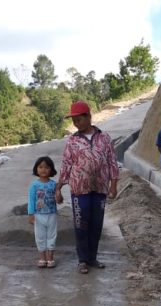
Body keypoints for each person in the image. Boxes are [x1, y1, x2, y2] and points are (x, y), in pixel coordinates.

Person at [55, 101, 119, 274]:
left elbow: (112, 162)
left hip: (99, 188)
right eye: (74, 120)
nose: (76, 123)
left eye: (79, 119)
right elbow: (66, 164)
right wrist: (59, 188)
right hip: (79, 189)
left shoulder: (104, 138)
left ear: (89, 117)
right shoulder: (73, 141)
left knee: (96, 224)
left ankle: (92, 258)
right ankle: (82, 260)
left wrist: (113, 186)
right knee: (81, 224)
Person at [28, 156, 59, 268]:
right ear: (36, 169)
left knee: (52, 236)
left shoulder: (54, 184)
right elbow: (31, 200)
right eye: (40, 167)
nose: (43, 170)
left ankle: (50, 259)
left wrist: (59, 194)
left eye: (46, 167)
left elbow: (59, 200)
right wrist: (31, 214)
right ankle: (42, 258)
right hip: (39, 215)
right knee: (40, 237)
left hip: (52, 214)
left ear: (51, 169)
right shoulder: (34, 185)